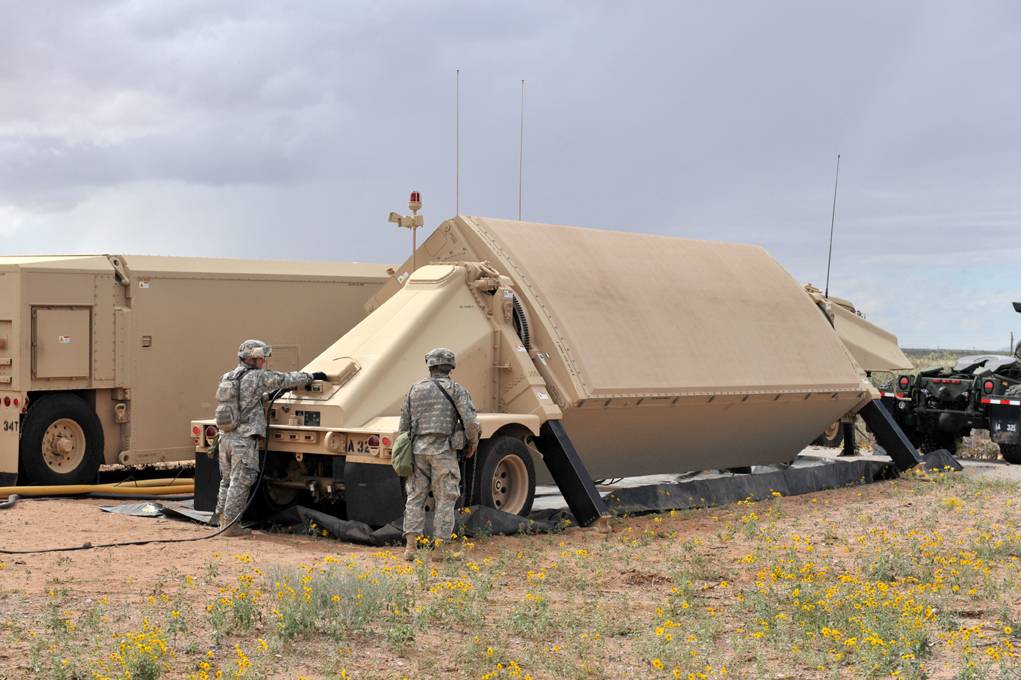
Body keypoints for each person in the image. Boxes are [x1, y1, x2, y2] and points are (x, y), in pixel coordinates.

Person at [213, 339, 327, 537]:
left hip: (226, 438)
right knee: (241, 481)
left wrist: (270, 395)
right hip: (244, 439)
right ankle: (230, 526)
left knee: (226, 481)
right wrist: (311, 376)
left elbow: (244, 401)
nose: (264, 362)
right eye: (261, 358)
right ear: (253, 358)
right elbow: (285, 379)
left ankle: (220, 519)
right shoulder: (256, 376)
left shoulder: (229, 376)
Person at [400, 347, 480, 561]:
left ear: (430, 365)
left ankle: (410, 548)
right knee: (446, 498)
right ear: (450, 367)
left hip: (417, 451)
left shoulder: (414, 390)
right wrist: (472, 443)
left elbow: (404, 425)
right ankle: (439, 550)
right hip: (444, 452)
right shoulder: (456, 390)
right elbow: (471, 423)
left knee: (415, 497)